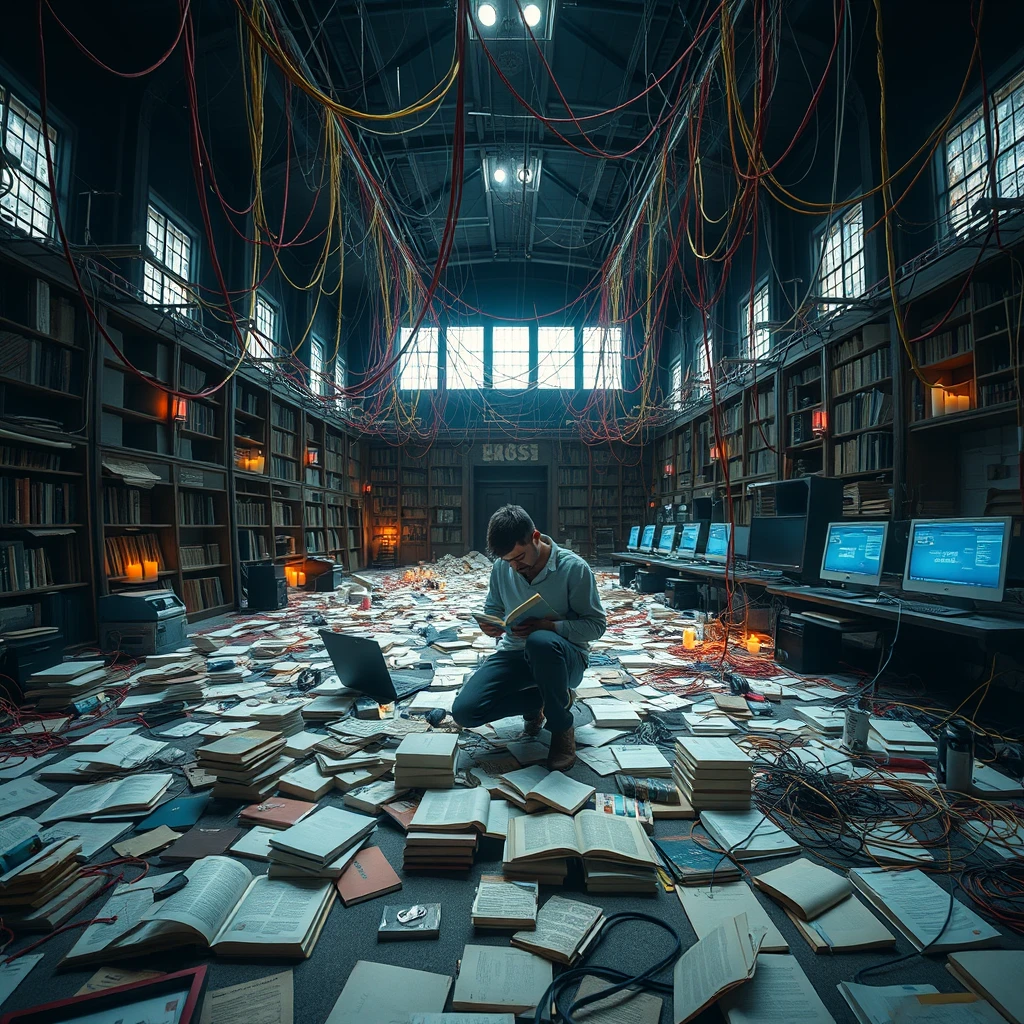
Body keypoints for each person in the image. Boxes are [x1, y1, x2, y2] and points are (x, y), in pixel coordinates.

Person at [452, 504, 607, 771]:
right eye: (508, 561)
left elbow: (596, 626)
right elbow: (494, 607)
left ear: (535, 537)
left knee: (540, 642)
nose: (515, 567)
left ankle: (561, 727)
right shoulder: (504, 567)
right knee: (465, 712)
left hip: (563, 657)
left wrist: (551, 626)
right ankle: (551, 699)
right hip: (514, 652)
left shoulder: (574, 568)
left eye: (520, 557)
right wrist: (491, 624)